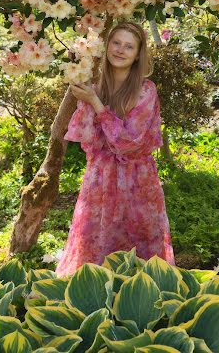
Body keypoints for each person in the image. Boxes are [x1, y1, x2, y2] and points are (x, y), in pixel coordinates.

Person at [55, 21, 175, 276]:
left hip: (138, 181)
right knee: (95, 243)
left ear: (137, 55)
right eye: (116, 43)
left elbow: (128, 143)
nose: (120, 50)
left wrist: (96, 104)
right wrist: (88, 97)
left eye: (129, 47)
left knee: (141, 247)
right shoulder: (96, 87)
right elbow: (86, 139)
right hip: (100, 180)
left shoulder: (145, 91)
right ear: (107, 46)